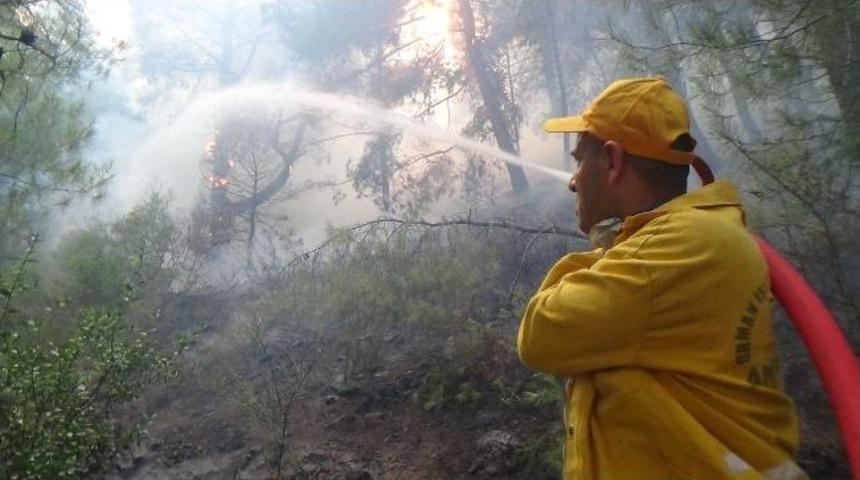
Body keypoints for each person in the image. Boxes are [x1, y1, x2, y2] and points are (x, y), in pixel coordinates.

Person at [517, 77, 807, 480]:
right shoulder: (696, 236)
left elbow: (541, 331)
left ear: (613, 161)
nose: (572, 179)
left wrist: (605, 245)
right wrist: (619, 238)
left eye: (581, 160)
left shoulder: (669, 253)